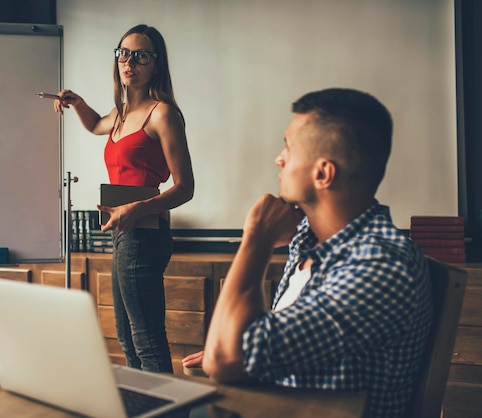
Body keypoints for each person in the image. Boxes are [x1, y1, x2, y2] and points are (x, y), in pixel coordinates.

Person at [182, 88, 432, 418]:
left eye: (288, 146)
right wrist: (238, 347)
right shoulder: (311, 238)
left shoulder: (380, 265)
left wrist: (255, 237)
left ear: (323, 173)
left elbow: (225, 359)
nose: (279, 158)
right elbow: (240, 350)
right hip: (276, 402)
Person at [54, 24, 194, 374]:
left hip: (145, 233)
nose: (130, 61)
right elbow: (94, 125)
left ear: (155, 65)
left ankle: (168, 411)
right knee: (127, 337)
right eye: (124, 53)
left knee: (146, 339)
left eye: (141, 55)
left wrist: (136, 209)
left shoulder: (162, 114)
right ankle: (142, 404)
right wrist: (78, 103)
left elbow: (185, 187)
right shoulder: (119, 114)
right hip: (122, 232)